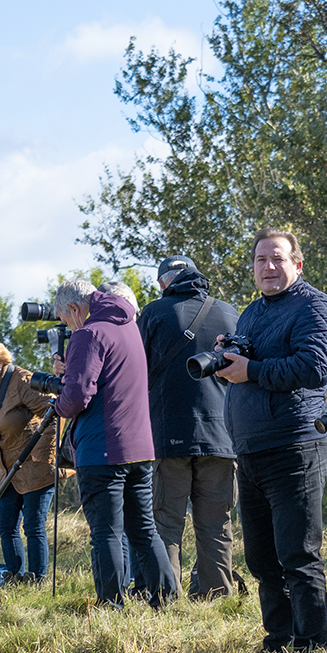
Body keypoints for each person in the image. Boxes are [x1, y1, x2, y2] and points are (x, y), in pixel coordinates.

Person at [216, 230, 327, 651]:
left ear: (297, 264)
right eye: (260, 261)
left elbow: (314, 367)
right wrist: (229, 355)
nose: (268, 267)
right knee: (261, 560)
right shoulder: (250, 313)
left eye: (277, 259)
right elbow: (253, 361)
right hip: (249, 450)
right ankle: (279, 638)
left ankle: (311, 646)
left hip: (294, 446)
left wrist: (249, 370)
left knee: (298, 555)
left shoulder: (316, 306)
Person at [54, 273, 180, 608]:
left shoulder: (89, 334)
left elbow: (78, 396)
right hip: (140, 447)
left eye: (66, 319)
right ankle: (165, 598)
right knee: (143, 529)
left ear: (74, 307)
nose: (68, 327)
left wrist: (58, 403)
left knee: (106, 532)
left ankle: (111, 604)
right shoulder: (129, 329)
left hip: (102, 448)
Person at [138, 255, 242, 600]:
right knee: (216, 522)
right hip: (221, 437)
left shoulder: (154, 313)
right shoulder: (230, 312)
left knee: (166, 521)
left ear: (163, 283)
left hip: (169, 434)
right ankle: (217, 597)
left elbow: (137, 373)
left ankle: (166, 597)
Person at [0, 338, 59, 584]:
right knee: (6, 525)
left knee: (33, 526)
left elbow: (54, 412)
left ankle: (38, 579)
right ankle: (16, 576)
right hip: (7, 468)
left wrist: (41, 453)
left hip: (34, 465)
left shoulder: (23, 380)